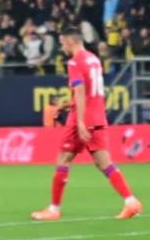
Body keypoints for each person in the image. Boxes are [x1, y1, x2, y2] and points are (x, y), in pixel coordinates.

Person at [31, 28, 142, 221]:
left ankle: (54, 209)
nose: (61, 45)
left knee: (64, 158)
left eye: (62, 41)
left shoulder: (75, 62)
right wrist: (68, 104)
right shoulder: (93, 59)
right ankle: (131, 202)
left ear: (70, 41)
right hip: (98, 115)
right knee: (103, 163)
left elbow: (81, 91)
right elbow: (91, 92)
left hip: (82, 118)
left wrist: (80, 122)